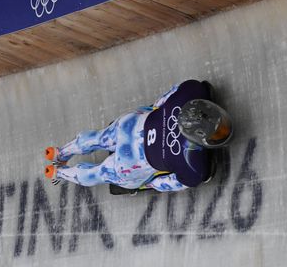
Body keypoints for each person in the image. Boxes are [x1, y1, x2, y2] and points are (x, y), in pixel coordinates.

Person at [45, 79, 232, 193]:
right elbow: (164, 184)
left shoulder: (190, 90)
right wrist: (148, 185)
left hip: (130, 125)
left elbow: (163, 99)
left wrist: (154, 111)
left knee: (99, 137)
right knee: (100, 173)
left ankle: (60, 152)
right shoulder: (191, 164)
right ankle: (59, 172)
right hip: (129, 163)